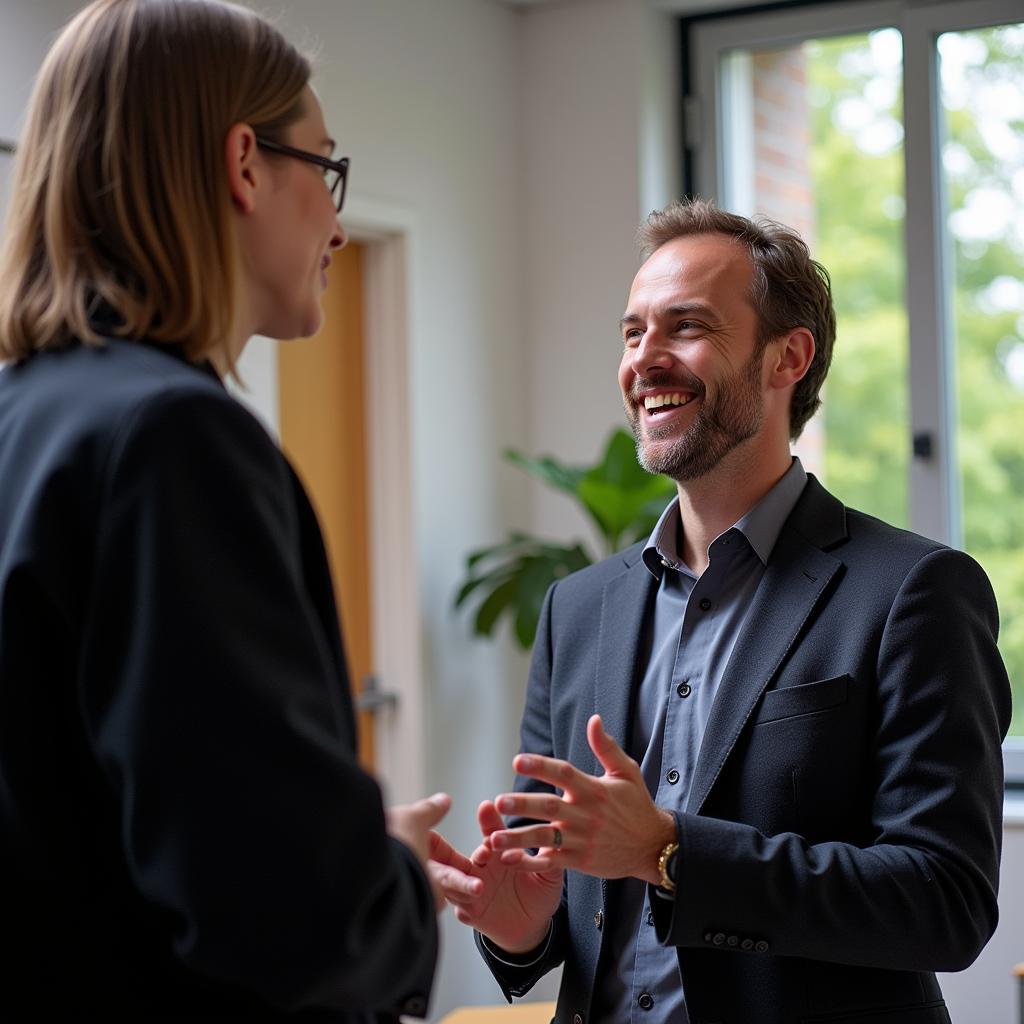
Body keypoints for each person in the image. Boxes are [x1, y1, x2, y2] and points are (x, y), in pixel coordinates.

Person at [0, 0, 476, 1017]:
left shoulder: (24, 423)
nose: (339, 224)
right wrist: (383, 868)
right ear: (244, 165)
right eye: (326, 170)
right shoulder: (173, 443)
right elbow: (293, 920)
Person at [436, 199, 1012, 1023]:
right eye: (633, 333)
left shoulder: (914, 592)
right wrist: (523, 931)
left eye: (687, 326)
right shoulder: (577, 610)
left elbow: (944, 902)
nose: (646, 359)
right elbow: (582, 907)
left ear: (789, 358)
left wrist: (670, 851)